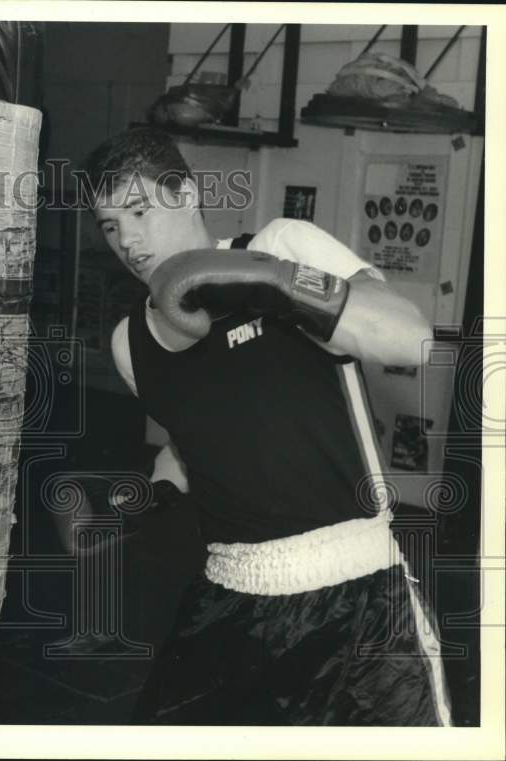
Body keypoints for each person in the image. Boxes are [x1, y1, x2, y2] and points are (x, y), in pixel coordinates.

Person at [83, 126, 451, 726]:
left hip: (353, 591)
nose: (128, 239)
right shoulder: (131, 342)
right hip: (228, 595)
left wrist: (275, 283)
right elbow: (190, 447)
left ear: (186, 194)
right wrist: (132, 502)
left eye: (139, 210)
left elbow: (411, 337)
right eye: (109, 225)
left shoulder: (283, 243)